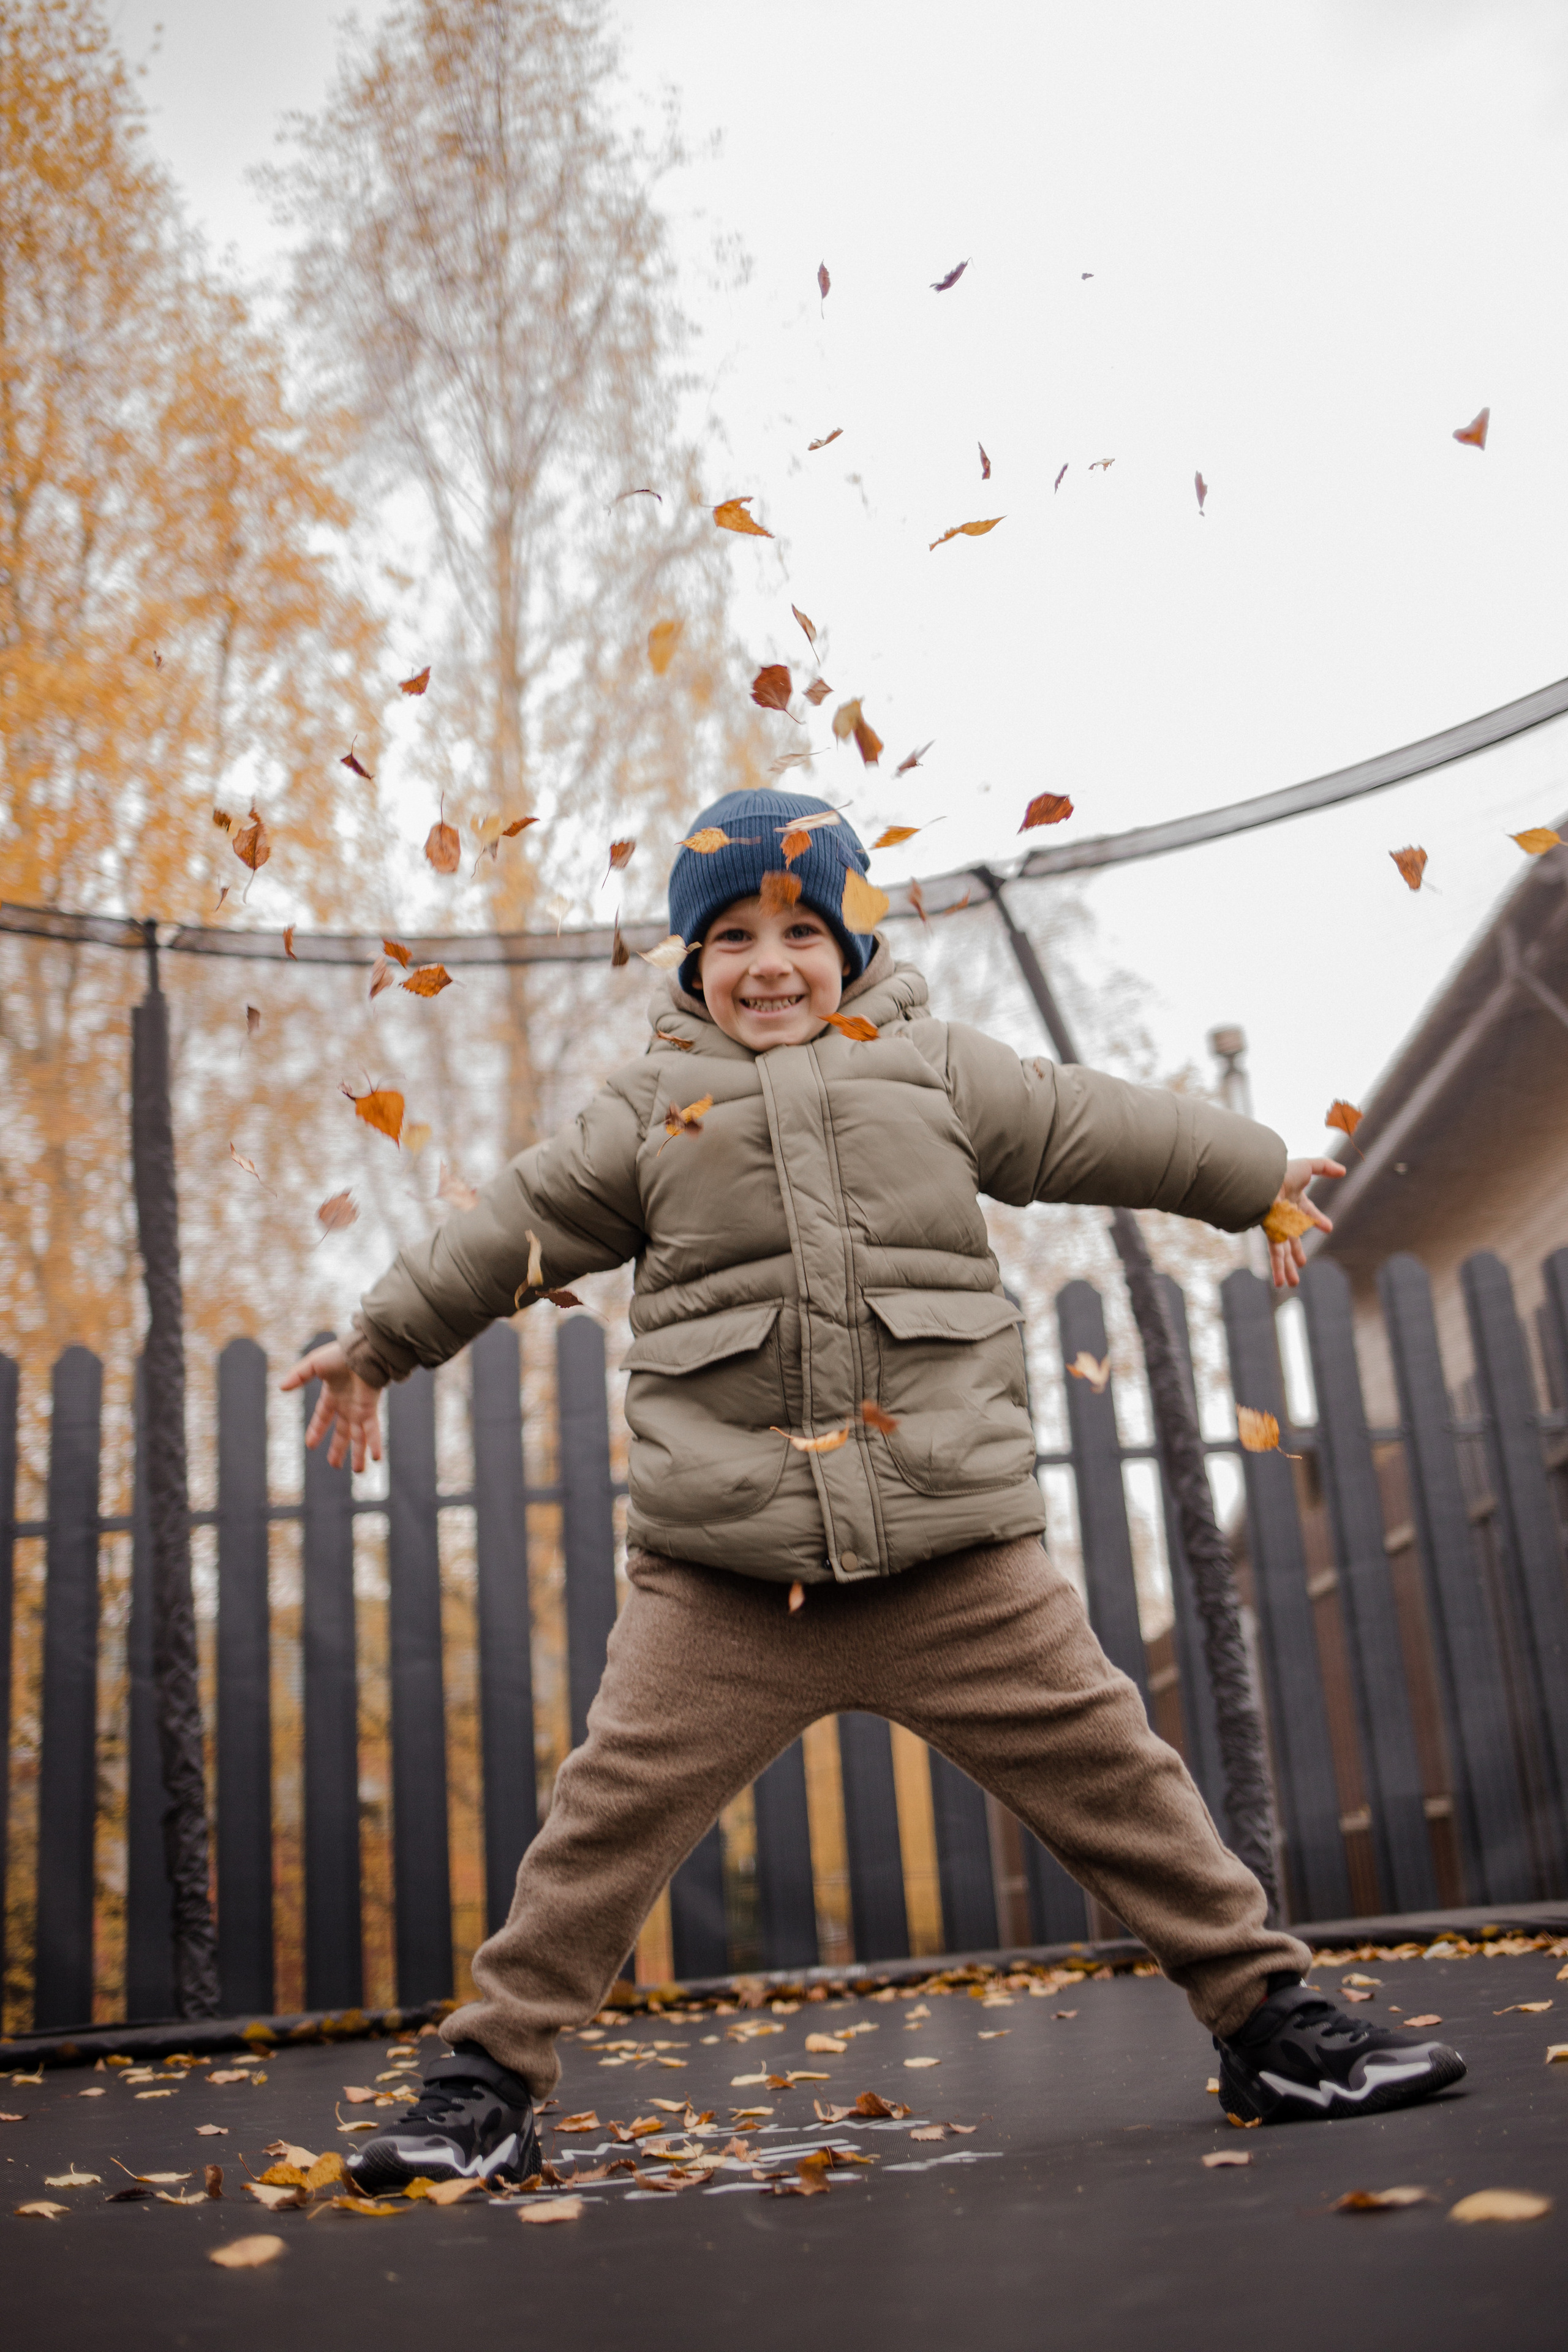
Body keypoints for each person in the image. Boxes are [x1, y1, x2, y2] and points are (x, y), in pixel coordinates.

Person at [282, 787, 1465, 2189]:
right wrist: (378, 1343)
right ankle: (484, 2082)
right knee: (601, 1825)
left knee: (1120, 1783)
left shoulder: (938, 1070)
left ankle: (1269, 2024)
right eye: (727, 936)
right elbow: (504, 1231)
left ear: (848, 943)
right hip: (725, 1578)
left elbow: (1097, 1124)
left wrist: (1255, 1173)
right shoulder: (650, 1110)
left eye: (797, 927)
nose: (765, 962)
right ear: (688, 962)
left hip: (954, 1556)